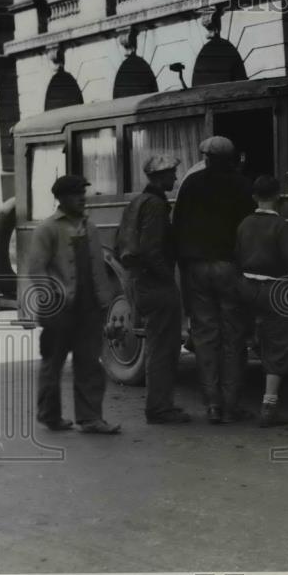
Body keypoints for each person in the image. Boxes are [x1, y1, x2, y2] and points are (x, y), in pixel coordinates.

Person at [26, 174, 120, 434]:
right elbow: (36, 270)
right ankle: (50, 416)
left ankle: (90, 419)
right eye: (75, 194)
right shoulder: (48, 228)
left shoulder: (89, 227)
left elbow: (98, 269)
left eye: (83, 192)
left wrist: (105, 300)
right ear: (61, 198)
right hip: (59, 312)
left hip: (89, 309)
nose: (82, 198)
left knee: (90, 363)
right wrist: (55, 299)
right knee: (52, 365)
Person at [172, 136, 255, 424]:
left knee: (206, 337)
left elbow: (178, 225)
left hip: (196, 268)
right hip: (230, 267)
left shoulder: (192, 185)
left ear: (206, 158)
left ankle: (212, 406)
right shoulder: (244, 186)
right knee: (234, 337)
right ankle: (232, 405)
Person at [116, 155, 191, 425]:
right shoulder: (156, 206)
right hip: (155, 285)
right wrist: (166, 280)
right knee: (164, 349)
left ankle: (159, 406)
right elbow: (152, 250)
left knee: (158, 346)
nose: (174, 178)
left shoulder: (137, 202)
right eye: (171, 173)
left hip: (139, 282)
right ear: (160, 177)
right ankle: (159, 408)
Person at [234, 174, 288, 427]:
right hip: (273, 290)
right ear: (279, 196)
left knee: (249, 337)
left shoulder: (244, 223)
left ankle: (231, 399)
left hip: (246, 287)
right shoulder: (281, 226)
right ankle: (269, 406)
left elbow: (237, 254)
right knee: (279, 343)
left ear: (254, 197)